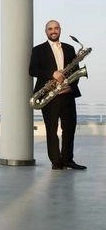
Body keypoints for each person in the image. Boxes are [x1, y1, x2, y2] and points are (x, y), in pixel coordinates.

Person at [29, 20, 87, 170]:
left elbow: (76, 72)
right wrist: (52, 73)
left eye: (56, 28)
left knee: (69, 127)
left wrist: (71, 87)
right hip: (49, 95)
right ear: (46, 31)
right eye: (50, 29)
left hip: (67, 94)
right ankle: (56, 161)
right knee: (51, 129)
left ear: (60, 30)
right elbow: (32, 70)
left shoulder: (69, 48)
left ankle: (68, 159)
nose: (53, 31)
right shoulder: (38, 50)